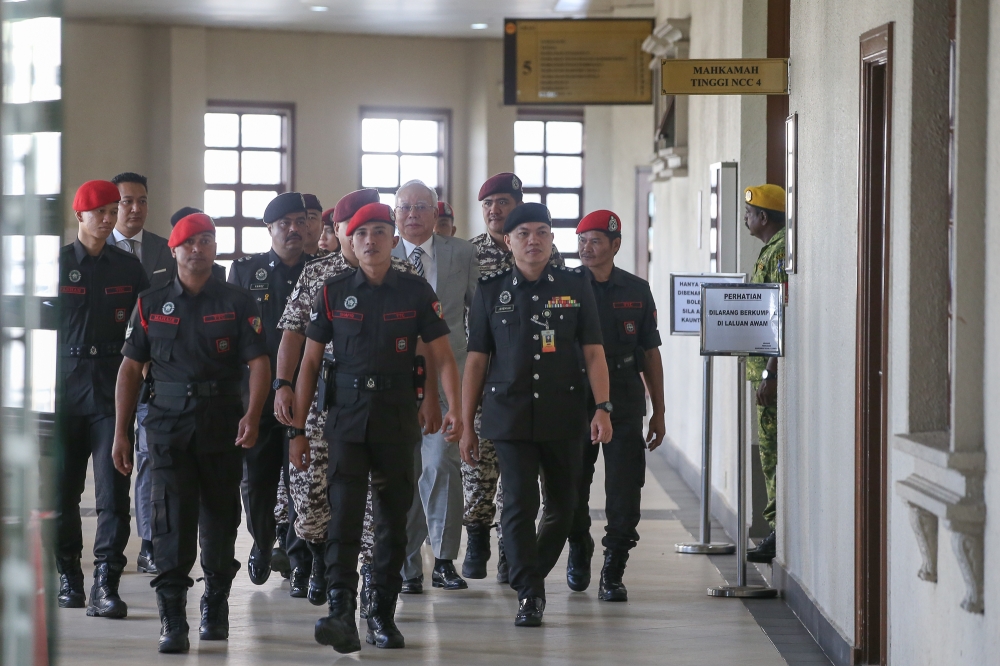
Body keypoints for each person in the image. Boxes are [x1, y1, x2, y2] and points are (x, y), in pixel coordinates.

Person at [290, 202, 463, 653]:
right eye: (362, 232)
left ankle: (381, 613)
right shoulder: (331, 291)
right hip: (345, 418)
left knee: (391, 521)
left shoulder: (414, 291)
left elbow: (440, 354)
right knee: (343, 519)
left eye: (380, 232)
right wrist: (298, 430)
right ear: (350, 237)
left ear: (392, 238)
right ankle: (341, 612)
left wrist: (452, 407)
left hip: (395, 416)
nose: (370, 240)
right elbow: (310, 361)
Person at [112, 212, 270, 653]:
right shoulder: (150, 302)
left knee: (221, 519)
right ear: (175, 250)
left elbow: (259, 363)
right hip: (165, 425)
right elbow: (129, 369)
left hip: (222, 422)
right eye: (189, 243)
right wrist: (121, 432)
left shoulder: (238, 302)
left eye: (206, 241)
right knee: (169, 522)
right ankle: (172, 617)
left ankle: (215, 607)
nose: (198, 250)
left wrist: (253, 415)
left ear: (214, 248)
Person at [461, 202, 611, 628]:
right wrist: (468, 424)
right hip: (508, 414)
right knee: (518, 504)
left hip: (564, 414)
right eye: (523, 233)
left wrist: (602, 407)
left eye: (542, 232)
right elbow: (476, 360)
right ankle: (530, 592)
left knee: (564, 508)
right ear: (508, 242)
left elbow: (594, 352)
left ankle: (531, 573)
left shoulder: (575, 285)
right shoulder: (490, 292)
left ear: (551, 239)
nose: (533, 240)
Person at [273, 189, 420, 608]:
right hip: (323, 402)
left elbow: (427, 342)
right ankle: (319, 561)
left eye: (373, 228)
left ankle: (371, 589)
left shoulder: (404, 272)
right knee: (313, 498)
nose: (362, 236)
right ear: (342, 232)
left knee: (374, 507)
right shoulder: (319, 273)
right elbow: (293, 332)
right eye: (352, 227)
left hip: (382, 404)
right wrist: (284, 385)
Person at [463, 173, 564, 583]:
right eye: (487, 203)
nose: (494, 210)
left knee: (517, 483)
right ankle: (476, 537)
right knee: (479, 468)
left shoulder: (547, 257)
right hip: (483, 377)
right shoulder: (469, 255)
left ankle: (510, 552)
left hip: (527, 383)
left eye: (502, 202)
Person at [57, 180, 149, 617]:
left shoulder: (128, 268)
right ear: (80, 217)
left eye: (114, 211)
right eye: (101, 213)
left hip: (113, 391)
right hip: (63, 391)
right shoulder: (54, 265)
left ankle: (106, 584)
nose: (110, 219)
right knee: (62, 494)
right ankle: (68, 577)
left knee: (114, 493)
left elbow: (147, 329)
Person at [567, 210, 665, 601]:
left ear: (615, 245)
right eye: (581, 241)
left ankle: (614, 567)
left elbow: (650, 354)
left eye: (595, 241)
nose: (586, 248)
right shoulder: (566, 286)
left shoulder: (637, 290)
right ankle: (578, 544)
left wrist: (659, 408)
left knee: (625, 487)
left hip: (624, 395)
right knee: (572, 483)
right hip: (577, 397)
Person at [392, 180, 479, 594]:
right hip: (395, 384)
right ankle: (408, 566)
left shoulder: (461, 253)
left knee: (442, 466)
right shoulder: (379, 252)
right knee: (404, 473)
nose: (412, 214)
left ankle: (443, 559)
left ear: (435, 212)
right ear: (395, 213)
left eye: (421, 207)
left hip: (449, 380)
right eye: (405, 207)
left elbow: (477, 318)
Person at [228, 192, 313, 586]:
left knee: (302, 479)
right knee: (257, 479)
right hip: (258, 395)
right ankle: (263, 543)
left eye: (300, 221)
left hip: (308, 392)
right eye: (285, 224)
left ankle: (299, 561)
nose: (294, 230)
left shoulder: (321, 272)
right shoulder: (247, 272)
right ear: (270, 229)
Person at [108, 172, 171, 576]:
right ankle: (109, 547)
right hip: (105, 373)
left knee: (148, 458)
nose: (135, 209)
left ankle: (149, 542)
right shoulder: (98, 252)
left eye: (142, 201)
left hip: (151, 374)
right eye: (127, 201)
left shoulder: (166, 252)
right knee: (113, 462)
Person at [742, 184, 788, 564]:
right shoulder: (770, 250)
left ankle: (777, 531)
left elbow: (780, 314)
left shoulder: (779, 252)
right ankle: (775, 527)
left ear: (765, 218)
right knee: (769, 451)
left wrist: (771, 374)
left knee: (771, 452)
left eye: (751, 212)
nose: (746, 218)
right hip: (765, 373)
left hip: (772, 376)